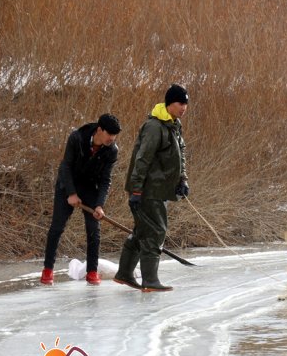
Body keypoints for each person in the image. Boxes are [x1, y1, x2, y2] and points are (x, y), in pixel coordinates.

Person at [114, 84, 190, 292]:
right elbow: (142, 159)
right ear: (169, 103)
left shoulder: (174, 124)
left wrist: (182, 179)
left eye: (185, 103)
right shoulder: (155, 127)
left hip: (160, 189)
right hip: (148, 190)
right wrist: (136, 190)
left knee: (143, 230)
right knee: (155, 231)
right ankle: (150, 280)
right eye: (179, 103)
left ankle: (124, 274)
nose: (183, 107)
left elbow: (180, 154)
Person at [41, 113, 121, 285]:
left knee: (94, 229)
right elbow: (65, 166)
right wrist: (70, 193)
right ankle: (47, 270)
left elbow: (106, 179)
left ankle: (92, 272)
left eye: (115, 136)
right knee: (57, 227)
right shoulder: (77, 138)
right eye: (109, 134)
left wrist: (99, 205)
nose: (112, 139)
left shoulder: (112, 151)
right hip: (67, 183)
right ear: (100, 130)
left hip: (90, 187)